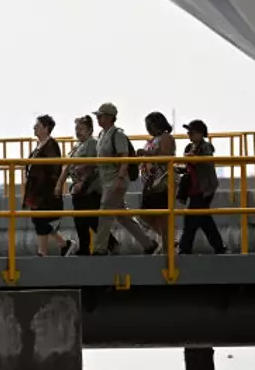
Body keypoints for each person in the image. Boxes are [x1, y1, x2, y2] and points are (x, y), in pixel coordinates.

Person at [90, 102, 155, 256]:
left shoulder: (117, 134)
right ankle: (148, 244)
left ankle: (100, 248)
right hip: (106, 180)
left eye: (100, 116)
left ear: (109, 117)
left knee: (105, 212)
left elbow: (123, 158)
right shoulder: (101, 135)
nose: (98, 119)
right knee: (123, 216)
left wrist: (119, 178)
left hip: (115, 180)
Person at [58, 114, 108, 256]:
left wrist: (83, 182)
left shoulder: (92, 143)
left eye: (81, 129)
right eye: (76, 128)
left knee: (92, 219)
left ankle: (110, 243)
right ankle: (84, 248)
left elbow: (92, 165)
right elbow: (68, 166)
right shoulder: (77, 146)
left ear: (90, 130)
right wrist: (60, 183)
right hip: (78, 189)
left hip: (89, 188)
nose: (78, 131)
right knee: (80, 220)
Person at [176, 119, 228, 255]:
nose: (189, 134)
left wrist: (192, 158)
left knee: (191, 218)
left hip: (204, 189)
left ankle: (184, 249)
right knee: (204, 219)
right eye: (188, 132)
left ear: (200, 133)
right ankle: (220, 247)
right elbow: (188, 167)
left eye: (192, 132)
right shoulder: (189, 147)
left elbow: (205, 161)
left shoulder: (206, 147)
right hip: (193, 189)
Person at [25, 115, 73, 256]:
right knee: (39, 220)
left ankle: (43, 252)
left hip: (45, 192)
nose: (34, 127)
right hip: (36, 191)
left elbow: (53, 169)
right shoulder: (38, 146)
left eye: (38, 125)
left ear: (46, 129)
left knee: (41, 220)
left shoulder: (51, 145)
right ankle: (64, 244)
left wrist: (49, 188)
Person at [138, 111, 177, 252]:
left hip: (162, 181)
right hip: (150, 182)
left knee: (162, 216)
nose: (148, 128)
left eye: (149, 125)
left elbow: (165, 155)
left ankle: (168, 248)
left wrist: (146, 153)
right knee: (144, 214)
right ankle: (169, 241)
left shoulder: (166, 137)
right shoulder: (151, 140)